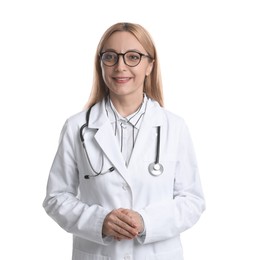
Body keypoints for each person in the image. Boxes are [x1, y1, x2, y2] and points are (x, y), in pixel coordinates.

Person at [43, 22, 205, 260]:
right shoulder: (77, 127)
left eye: (133, 57)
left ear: (150, 65)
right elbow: (56, 198)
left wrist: (145, 221)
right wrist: (99, 222)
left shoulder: (174, 127)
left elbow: (192, 201)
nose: (120, 67)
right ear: (101, 64)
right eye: (110, 57)